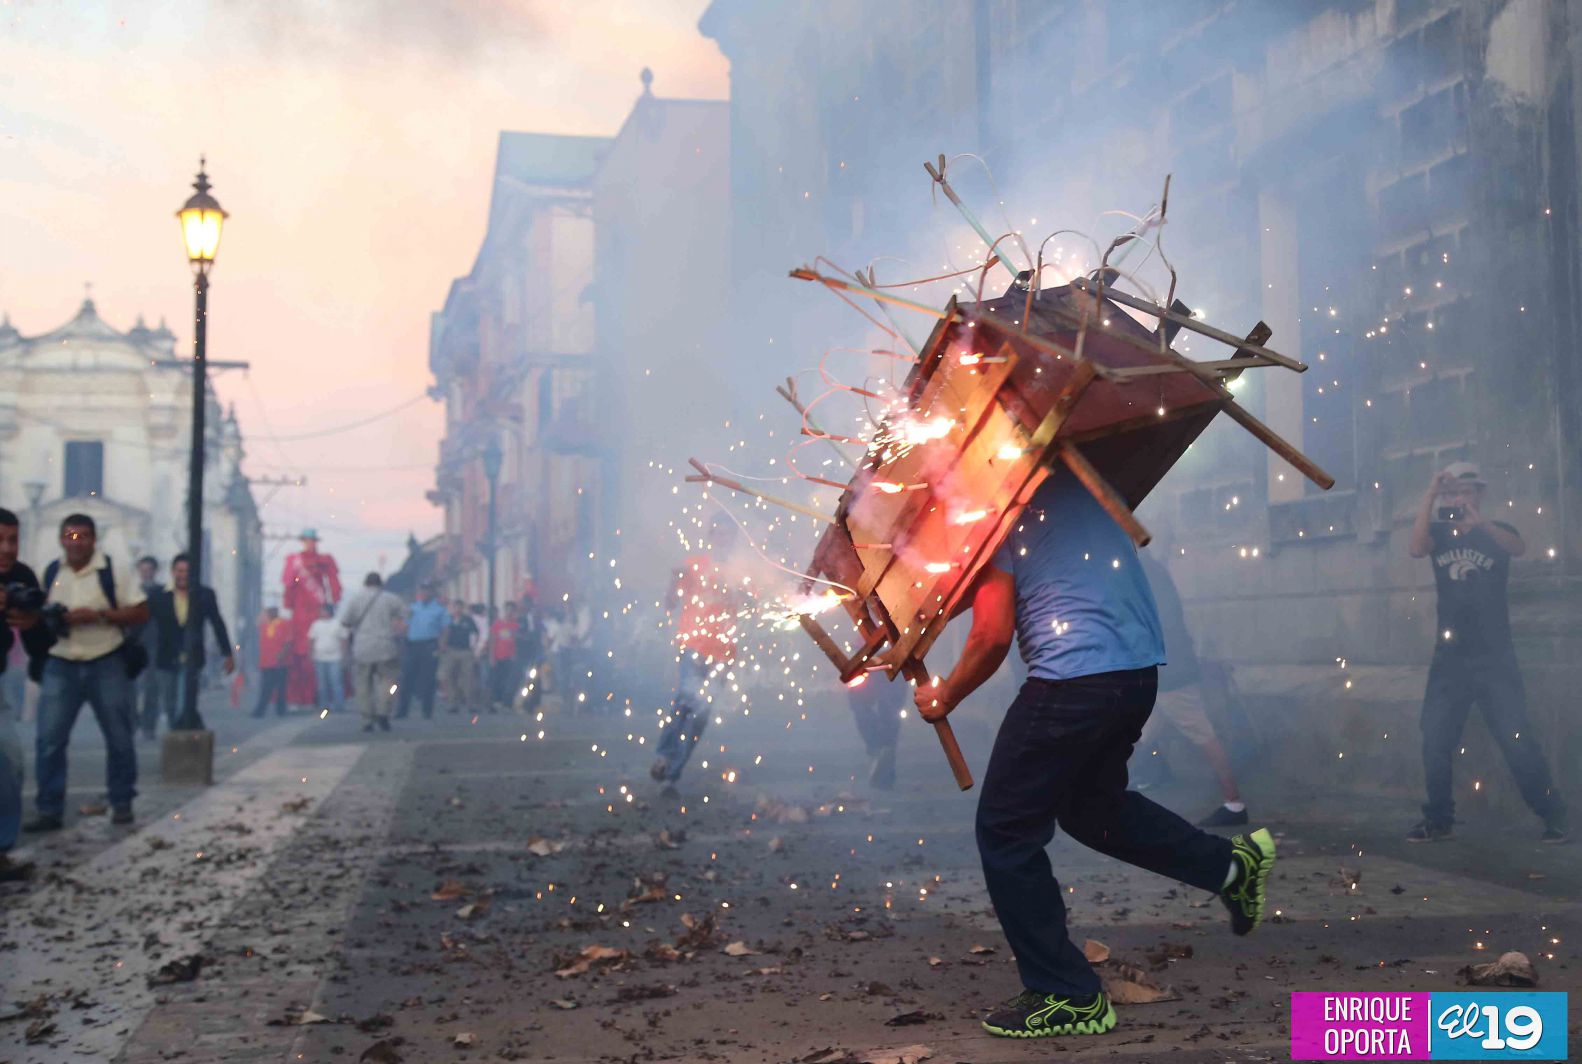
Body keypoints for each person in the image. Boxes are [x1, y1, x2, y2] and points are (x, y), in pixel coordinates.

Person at [913, 469, 1274, 1040]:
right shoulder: (1089, 480)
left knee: (1005, 831)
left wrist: (945, 695)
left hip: (1070, 681)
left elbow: (990, 636)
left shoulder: (995, 512)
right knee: (1092, 809)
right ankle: (1229, 867)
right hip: (1135, 677)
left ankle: (1068, 994)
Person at [1406, 462, 1566, 843]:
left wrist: (1481, 524)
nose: (1460, 499)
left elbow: (1518, 547)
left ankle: (1554, 816)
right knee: (1435, 737)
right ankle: (1439, 819)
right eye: (1454, 493)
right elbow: (1415, 548)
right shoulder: (1439, 533)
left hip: (1495, 657)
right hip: (1450, 658)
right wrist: (1430, 494)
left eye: (1467, 491)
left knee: (1516, 737)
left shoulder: (1497, 530)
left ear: (1479, 494)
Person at [22, 514, 149, 831]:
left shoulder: (114, 571)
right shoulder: (52, 572)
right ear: (61, 540)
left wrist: (99, 616)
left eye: (82, 537)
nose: (75, 543)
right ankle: (49, 808)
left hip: (106, 657)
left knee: (119, 737)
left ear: (94, 540)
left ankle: (122, 801)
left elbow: (140, 611)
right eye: (69, 536)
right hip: (61, 659)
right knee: (49, 739)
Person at [1136, 552, 1248, 827]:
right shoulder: (1149, 571)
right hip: (1161, 672)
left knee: (1203, 735)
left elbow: (1156, 624)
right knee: (1137, 735)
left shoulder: (1146, 574)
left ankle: (1234, 803)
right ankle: (1109, 797)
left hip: (1169, 674)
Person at [650, 519, 740, 793]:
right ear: (711, 537)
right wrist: (673, 582)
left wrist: (739, 591)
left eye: (727, 535)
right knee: (688, 698)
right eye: (719, 534)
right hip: (693, 643)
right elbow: (670, 603)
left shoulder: (741, 570)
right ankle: (664, 756)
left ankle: (671, 774)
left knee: (700, 713)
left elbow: (753, 605)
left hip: (723, 652)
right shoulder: (694, 564)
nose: (722, 539)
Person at [0, 509, 43, 879]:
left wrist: (34, 622)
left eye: (13, 540)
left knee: (10, 761)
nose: (6, 548)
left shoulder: (22, 577)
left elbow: (39, 644)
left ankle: (1, 849)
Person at [147, 553, 235, 733]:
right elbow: (143, 624)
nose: (183, 575)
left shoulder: (204, 595)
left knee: (186, 701)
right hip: (166, 657)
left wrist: (227, 653)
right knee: (170, 703)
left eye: (187, 571)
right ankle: (180, 734)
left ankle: (182, 736)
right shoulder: (158, 596)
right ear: (173, 572)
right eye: (179, 571)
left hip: (193, 657)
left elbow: (217, 624)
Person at [280, 529, 342, 705]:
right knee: (299, 654)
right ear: (303, 541)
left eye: (312, 540)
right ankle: (300, 696)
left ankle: (320, 697)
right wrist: (288, 607)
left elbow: (333, 582)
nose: (310, 543)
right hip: (300, 612)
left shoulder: (324, 560)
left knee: (315, 653)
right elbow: (289, 586)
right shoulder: (294, 560)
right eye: (307, 540)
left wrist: (334, 600)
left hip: (317, 610)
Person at [340, 572, 406, 732]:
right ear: (381, 584)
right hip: (386, 645)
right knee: (389, 682)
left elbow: (345, 622)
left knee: (363, 685)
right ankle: (384, 711)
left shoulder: (355, 599)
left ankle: (367, 718)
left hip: (363, 647)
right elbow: (405, 616)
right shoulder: (391, 599)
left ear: (365, 583)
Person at [394, 582, 446, 720]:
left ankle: (427, 710)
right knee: (406, 678)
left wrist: (442, 646)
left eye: (426, 590)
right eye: (421, 590)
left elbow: (445, 629)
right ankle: (402, 710)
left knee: (429, 679)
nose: (423, 593)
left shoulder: (439, 609)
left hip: (430, 645)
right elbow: (404, 626)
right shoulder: (412, 608)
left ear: (432, 592)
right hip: (412, 645)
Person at [847, 674, 904, 790]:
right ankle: (882, 757)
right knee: (888, 713)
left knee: (886, 712)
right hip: (886, 671)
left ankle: (881, 758)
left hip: (883, 670)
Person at [134, 555, 164, 739]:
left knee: (151, 688)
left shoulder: (161, 592)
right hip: (134, 644)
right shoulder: (132, 591)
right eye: (143, 570)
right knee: (131, 688)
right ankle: (134, 722)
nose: (145, 573)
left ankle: (148, 725)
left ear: (154, 571)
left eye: (148, 570)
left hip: (154, 644)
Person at [438, 597, 479, 714]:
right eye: (455, 607)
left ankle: (470, 703)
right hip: (450, 650)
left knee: (468, 677)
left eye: (460, 607)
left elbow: (475, 633)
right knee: (448, 676)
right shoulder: (448, 619)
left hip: (465, 651)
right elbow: (441, 632)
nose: (457, 609)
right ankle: (452, 703)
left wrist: (473, 647)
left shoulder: (468, 620)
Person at [307, 602, 347, 714]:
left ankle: (339, 705)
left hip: (335, 657)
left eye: (322, 610)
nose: (320, 612)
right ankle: (324, 705)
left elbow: (344, 639)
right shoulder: (316, 624)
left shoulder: (338, 624)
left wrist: (344, 654)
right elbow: (311, 640)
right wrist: (310, 653)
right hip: (319, 658)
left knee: (336, 682)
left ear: (329, 611)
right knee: (322, 683)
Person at [251, 607, 291, 718]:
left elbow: (288, 642)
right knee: (265, 687)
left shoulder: (284, 623)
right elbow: (256, 623)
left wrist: (282, 654)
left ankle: (281, 710)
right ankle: (260, 710)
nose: (265, 615)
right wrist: (262, 614)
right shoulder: (264, 625)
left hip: (280, 663)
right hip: (266, 662)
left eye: (266, 613)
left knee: (281, 688)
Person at [487, 600, 522, 713]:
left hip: (510, 657)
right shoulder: (497, 624)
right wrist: (491, 656)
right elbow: (492, 640)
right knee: (497, 679)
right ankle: (495, 701)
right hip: (498, 656)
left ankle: (506, 702)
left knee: (508, 680)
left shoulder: (515, 625)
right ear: (504, 610)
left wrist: (515, 654)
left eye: (512, 611)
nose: (510, 613)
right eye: (508, 610)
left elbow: (516, 641)